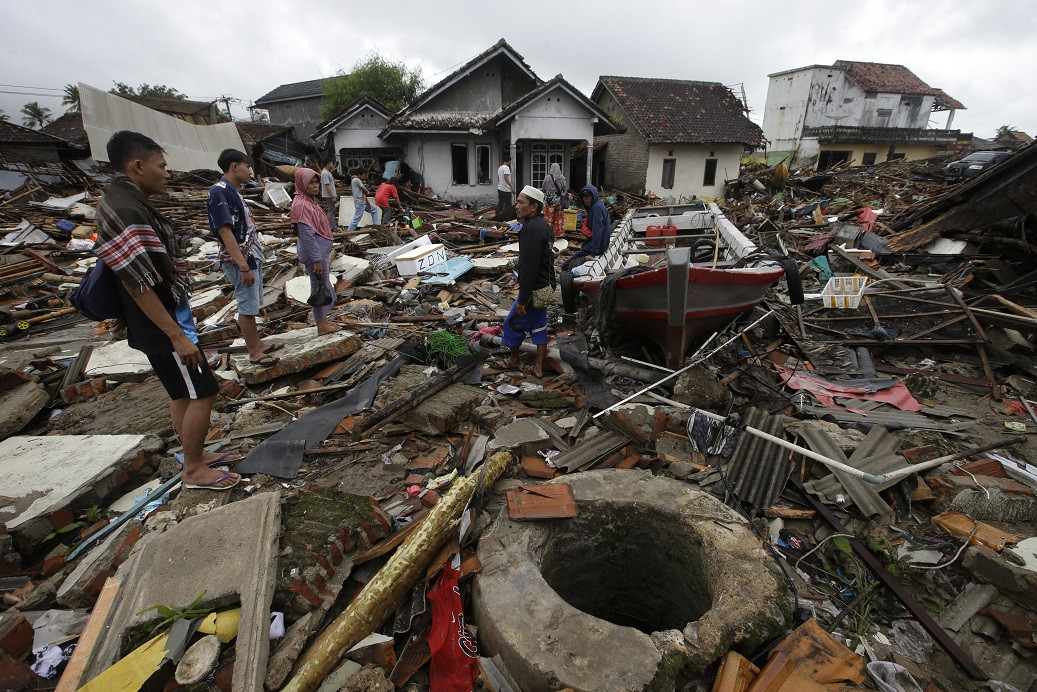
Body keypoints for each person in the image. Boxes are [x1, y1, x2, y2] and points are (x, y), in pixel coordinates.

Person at [95, 131, 239, 491]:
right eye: (161, 166)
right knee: (203, 391)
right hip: (162, 324)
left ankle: (196, 456)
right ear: (137, 166)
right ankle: (193, 470)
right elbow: (138, 282)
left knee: (182, 393)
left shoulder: (123, 200)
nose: (167, 173)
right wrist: (177, 335)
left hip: (156, 323)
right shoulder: (126, 209)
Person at [206, 149, 281, 367]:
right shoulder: (219, 192)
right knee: (246, 306)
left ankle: (258, 344)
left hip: (249, 256)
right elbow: (225, 230)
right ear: (234, 166)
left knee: (252, 303)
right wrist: (242, 265)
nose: (250, 171)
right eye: (247, 166)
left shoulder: (233, 191)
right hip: (240, 259)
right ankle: (254, 352)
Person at [503, 185, 554, 378]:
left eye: (520, 202)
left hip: (533, 289)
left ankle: (514, 360)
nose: (516, 206)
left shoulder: (531, 229)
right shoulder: (545, 225)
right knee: (539, 325)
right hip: (545, 287)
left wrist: (522, 299)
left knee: (512, 323)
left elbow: (529, 267)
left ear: (533, 207)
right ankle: (538, 367)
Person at [291, 168, 340, 335]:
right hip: (315, 256)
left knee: (322, 285)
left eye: (316, 182)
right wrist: (317, 259)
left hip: (319, 254)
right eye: (310, 183)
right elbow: (307, 236)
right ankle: (321, 325)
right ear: (302, 184)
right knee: (318, 287)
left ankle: (323, 321)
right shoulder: (301, 205)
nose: (315, 185)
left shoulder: (308, 201)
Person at [562, 184, 611, 271]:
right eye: (584, 197)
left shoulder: (596, 208)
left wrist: (593, 253)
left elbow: (597, 230)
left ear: (594, 196)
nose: (586, 199)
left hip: (598, 247)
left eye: (588, 197)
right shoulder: (598, 205)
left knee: (565, 266)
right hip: (601, 244)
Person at [542, 162, 567, 238]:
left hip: (549, 202)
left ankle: (548, 234)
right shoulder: (562, 178)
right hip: (559, 201)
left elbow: (543, 188)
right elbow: (564, 189)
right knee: (558, 217)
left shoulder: (547, 178)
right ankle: (558, 234)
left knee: (549, 218)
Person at [320, 159, 339, 231]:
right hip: (329, 195)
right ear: (327, 163)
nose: (333, 165)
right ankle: (332, 227)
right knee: (332, 210)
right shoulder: (325, 173)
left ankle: (332, 226)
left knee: (332, 210)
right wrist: (332, 196)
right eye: (332, 163)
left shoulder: (327, 172)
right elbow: (327, 185)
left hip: (329, 195)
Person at [496, 153, 514, 218]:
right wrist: (512, 187)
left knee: (500, 203)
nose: (510, 162)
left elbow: (499, 178)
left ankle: (497, 215)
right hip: (505, 189)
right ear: (508, 160)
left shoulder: (500, 168)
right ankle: (508, 217)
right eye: (510, 161)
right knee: (508, 205)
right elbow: (506, 178)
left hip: (500, 188)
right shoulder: (506, 168)